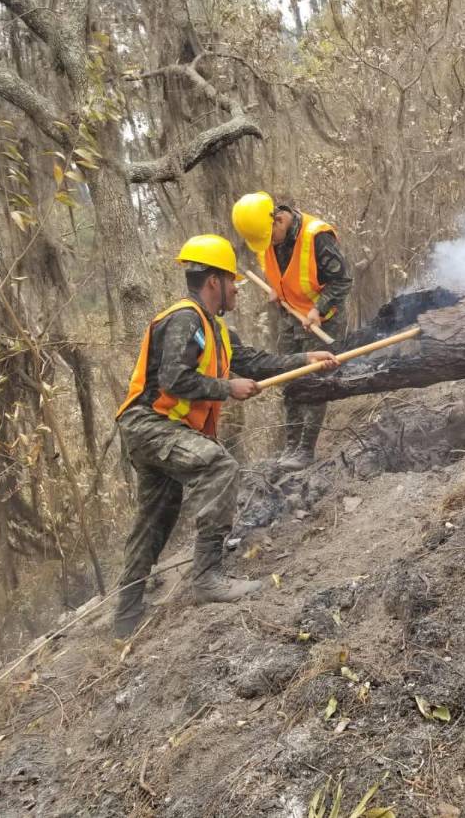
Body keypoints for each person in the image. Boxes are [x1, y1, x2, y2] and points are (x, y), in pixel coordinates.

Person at [112, 233, 338, 639]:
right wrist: (226, 389)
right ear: (214, 281)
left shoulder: (213, 329)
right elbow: (173, 378)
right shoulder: (186, 319)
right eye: (233, 280)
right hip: (150, 426)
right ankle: (207, 578)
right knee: (219, 466)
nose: (237, 288)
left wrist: (305, 358)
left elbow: (254, 360)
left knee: (154, 521)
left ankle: (124, 620)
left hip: (160, 430)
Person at [232, 191, 353, 470]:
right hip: (290, 316)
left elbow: (342, 280)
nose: (268, 244)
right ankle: (290, 444)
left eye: (270, 236)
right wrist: (277, 290)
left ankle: (305, 450)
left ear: (279, 219)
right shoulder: (265, 237)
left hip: (323, 319)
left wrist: (318, 310)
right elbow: (281, 272)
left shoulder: (316, 236)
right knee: (288, 377)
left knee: (315, 379)